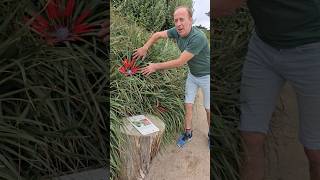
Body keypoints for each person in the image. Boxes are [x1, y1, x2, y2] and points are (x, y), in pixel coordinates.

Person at [214, 0, 320, 180]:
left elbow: (223, 6)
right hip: (264, 46)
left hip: (312, 49)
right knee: (250, 137)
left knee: (316, 150)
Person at [132, 6, 210, 148]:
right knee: (188, 105)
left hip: (207, 77)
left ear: (190, 20)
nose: (178, 24)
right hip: (193, 75)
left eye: (182, 19)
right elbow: (156, 35)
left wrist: (155, 66)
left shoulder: (198, 38)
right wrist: (145, 47)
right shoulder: (177, 32)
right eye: (176, 20)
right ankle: (188, 133)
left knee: (208, 108)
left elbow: (180, 62)